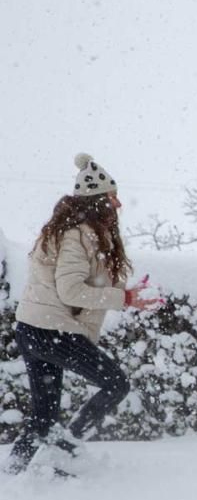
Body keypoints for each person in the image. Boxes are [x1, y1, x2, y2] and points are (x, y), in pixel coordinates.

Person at [4, 153, 161, 475]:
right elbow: (71, 291)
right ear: (97, 202)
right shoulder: (77, 235)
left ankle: (11, 476)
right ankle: (66, 448)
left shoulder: (76, 232)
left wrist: (125, 294)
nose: (118, 205)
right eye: (112, 198)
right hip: (51, 331)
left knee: (43, 417)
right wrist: (124, 298)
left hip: (34, 329)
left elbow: (81, 285)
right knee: (115, 384)